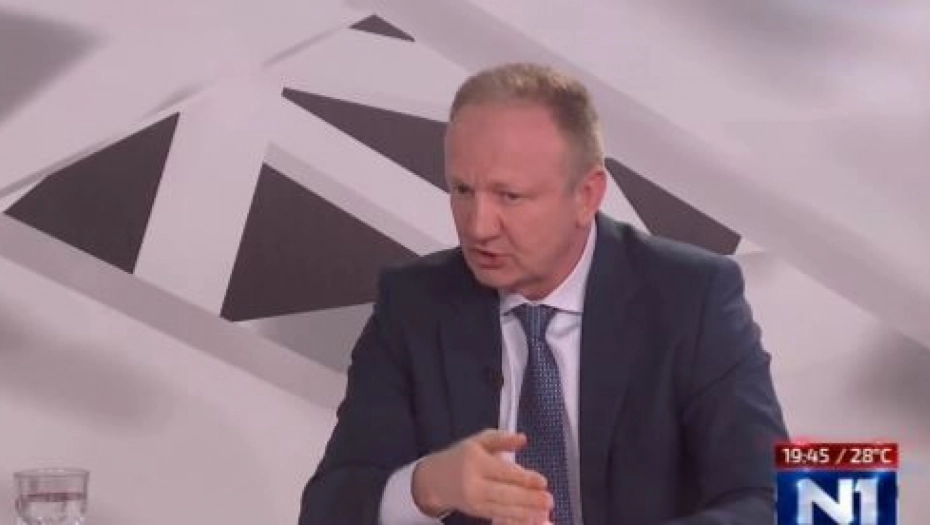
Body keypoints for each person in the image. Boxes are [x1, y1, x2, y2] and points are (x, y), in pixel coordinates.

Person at [298, 62, 787, 524]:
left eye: (509, 196)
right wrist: (427, 485)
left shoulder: (690, 298)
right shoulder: (414, 306)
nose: (478, 226)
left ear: (587, 195)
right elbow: (328, 509)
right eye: (463, 190)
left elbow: (770, 499)